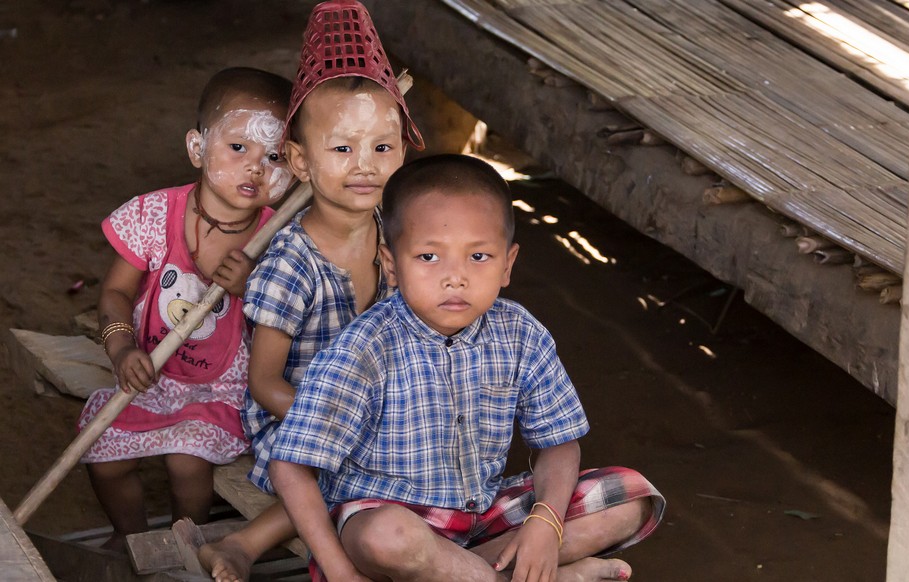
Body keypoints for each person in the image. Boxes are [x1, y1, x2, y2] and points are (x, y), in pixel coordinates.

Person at [270, 154, 666, 582]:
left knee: (630, 496)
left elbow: (559, 443)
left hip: (485, 515)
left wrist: (546, 522)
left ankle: (464, 573)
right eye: (428, 257)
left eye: (478, 256)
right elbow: (290, 466)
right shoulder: (366, 347)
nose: (455, 277)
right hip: (394, 519)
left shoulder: (520, 334)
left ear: (508, 265)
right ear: (390, 264)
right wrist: (339, 572)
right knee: (387, 536)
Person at [196, 2, 423, 579]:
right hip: (294, 416)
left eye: (382, 146)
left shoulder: (391, 237)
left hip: (372, 404)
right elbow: (265, 382)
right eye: (343, 149)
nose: (366, 166)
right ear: (299, 160)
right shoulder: (290, 267)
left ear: (403, 150)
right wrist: (338, 423)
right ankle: (243, 545)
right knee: (345, 470)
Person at [79, 66, 293, 550]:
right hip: (150, 372)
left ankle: (184, 545)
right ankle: (130, 537)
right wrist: (120, 349)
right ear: (197, 148)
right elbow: (114, 294)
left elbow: (290, 320)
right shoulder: (152, 214)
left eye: (274, 155)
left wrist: (252, 288)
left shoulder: (280, 240)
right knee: (104, 455)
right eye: (239, 147)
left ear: (294, 168)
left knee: (186, 460)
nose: (256, 166)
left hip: (224, 388)